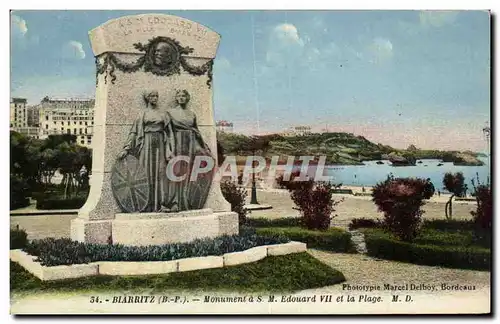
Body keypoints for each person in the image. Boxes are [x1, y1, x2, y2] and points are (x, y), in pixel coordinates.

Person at [116, 90, 174, 212]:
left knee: (161, 173)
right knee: (146, 173)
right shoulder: (142, 114)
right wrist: (126, 149)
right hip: (147, 143)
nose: (155, 98)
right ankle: (145, 204)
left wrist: (170, 149)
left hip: (160, 144)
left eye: (156, 96)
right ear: (147, 98)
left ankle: (161, 203)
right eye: (152, 96)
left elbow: (169, 134)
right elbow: (134, 132)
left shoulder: (163, 114)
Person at [166, 89, 213, 211]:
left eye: (184, 96)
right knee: (177, 171)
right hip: (178, 141)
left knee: (190, 170)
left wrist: (203, 145)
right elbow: (168, 132)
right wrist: (169, 148)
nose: (181, 98)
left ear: (187, 98)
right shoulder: (170, 113)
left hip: (191, 142)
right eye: (179, 96)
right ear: (176, 98)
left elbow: (196, 130)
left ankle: (188, 199)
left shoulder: (191, 114)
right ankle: (174, 201)